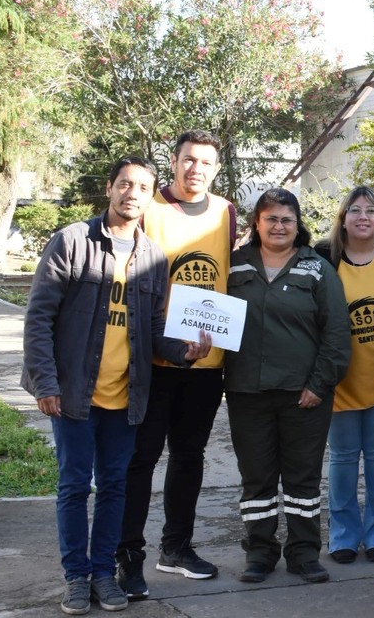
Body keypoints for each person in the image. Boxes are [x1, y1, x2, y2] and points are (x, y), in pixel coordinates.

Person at [23, 157, 211, 615]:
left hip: (127, 398)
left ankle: (104, 573)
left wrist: (185, 351)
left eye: (143, 188)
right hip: (73, 395)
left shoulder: (154, 257)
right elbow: (39, 317)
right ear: (110, 188)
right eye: (125, 184)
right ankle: (76, 577)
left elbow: (153, 328)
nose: (133, 194)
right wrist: (45, 382)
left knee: (114, 487)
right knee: (74, 487)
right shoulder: (72, 242)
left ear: (150, 198)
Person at [117, 130, 235, 597]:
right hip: (154, 361)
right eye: (188, 160)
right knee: (141, 460)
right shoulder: (150, 207)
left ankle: (177, 548)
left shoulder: (226, 212)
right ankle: (128, 556)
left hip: (207, 362)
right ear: (173, 161)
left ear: (216, 169)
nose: (196, 169)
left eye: (205, 162)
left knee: (189, 457)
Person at [224, 188, 350, 585]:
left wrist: (319, 385)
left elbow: (336, 333)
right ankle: (259, 553)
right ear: (256, 223)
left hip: (304, 395)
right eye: (271, 219)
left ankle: (303, 553)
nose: (279, 226)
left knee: (302, 479)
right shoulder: (233, 266)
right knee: (256, 478)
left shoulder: (317, 269)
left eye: (287, 220)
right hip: (247, 392)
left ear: (298, 226)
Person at [313, 186, 374, 565]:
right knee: (342, 457)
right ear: (343, 219)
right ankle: (342, 535)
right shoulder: (324, 256)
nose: (363, 217)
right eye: (354, 210)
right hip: (339, 379)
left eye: (371, 211)